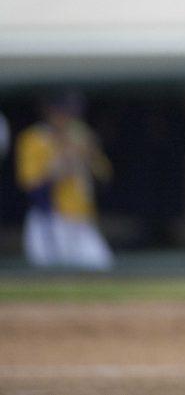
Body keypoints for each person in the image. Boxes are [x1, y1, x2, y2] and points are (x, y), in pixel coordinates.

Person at [16, 92, 114, 270]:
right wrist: (61, 165)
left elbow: (104, 178)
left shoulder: (81, 136)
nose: (68, 116)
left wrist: (89, 152)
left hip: (82, 220)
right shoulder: (35, 139)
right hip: (50, 220)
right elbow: (31, 188)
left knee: (101, 268)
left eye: (72, 110)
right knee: (49, 277)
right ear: (48, 110)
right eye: (62, 110)